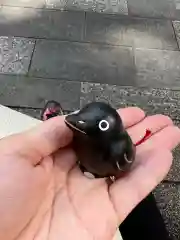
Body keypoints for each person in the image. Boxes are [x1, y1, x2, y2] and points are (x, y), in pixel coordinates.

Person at [0, 107, 179, 240]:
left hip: (104, 168)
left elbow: (125, 161)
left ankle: (95, 170)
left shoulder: (118, 150)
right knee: (143, 208)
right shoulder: (81, 140)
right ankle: (89, 168)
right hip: (84, 164)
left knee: (137, 193)